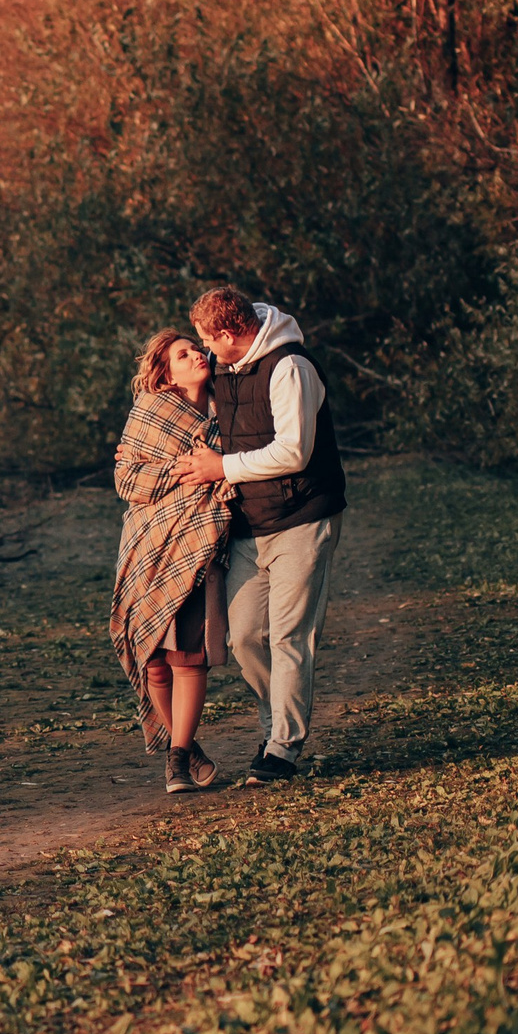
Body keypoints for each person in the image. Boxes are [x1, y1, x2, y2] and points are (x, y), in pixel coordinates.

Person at [171, 287, 346, 784]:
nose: (203, 349)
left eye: (207, 339)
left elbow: (293, 451)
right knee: (245, 635)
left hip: (303, 517)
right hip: (251, 522)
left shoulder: (291, 368)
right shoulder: (225, 365)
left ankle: (282, 750)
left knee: (290, 637)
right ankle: (274, 727)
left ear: (230, 333)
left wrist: (222, 467)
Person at [114, 330, 230, 793]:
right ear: (166, 371)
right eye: (183, 354)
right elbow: (126, 478)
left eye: (197, 349)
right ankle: (188, 749)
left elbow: (242, 460)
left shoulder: (231, 407)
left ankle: (177, 758)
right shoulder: (149, 411)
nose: (197, 355)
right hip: (147, 543)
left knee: (188, 656)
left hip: (201, 540)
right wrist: (182, 471)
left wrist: (218, 464)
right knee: (154, 660)